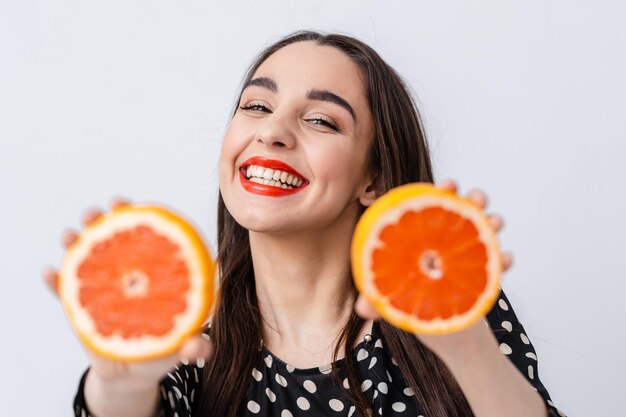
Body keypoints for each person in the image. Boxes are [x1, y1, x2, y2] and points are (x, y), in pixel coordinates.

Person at [45, 30, 565, 417]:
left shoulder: (452, 316)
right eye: (256, 105)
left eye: (320, 119)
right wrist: (119, 386)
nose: (272, 131)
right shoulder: (188, 348)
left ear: (375, 178)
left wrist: (469, 351)